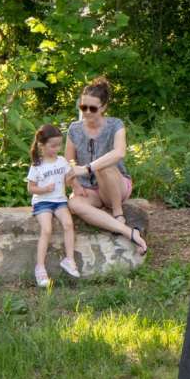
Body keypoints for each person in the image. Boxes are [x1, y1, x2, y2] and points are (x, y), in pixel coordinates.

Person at [65, 77, 147, 255]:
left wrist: (87, 168)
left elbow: (119, 153)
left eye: (92, 108)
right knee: (74, 204)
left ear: (103, 107)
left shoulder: (115, 125)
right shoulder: (74, 129)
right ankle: (127, 231)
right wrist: (75, 185)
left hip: (115, 186)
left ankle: (118, 212)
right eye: (83, 107)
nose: (86, 112)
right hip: (90, 190)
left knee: (104, 165)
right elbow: (68, 162)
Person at [27, 124, 81, 286]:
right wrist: (43, 189)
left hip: (59, 201)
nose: (57, 149)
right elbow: (31, 188)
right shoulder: (37, 165)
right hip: (42, 202)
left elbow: (67, 181)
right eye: (53, 146)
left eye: (59, 145)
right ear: (41, 145)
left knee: (68, 223)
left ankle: (69, 260)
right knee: (47, 229)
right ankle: (40, 268)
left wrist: (74, 181)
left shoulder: (62, 161)